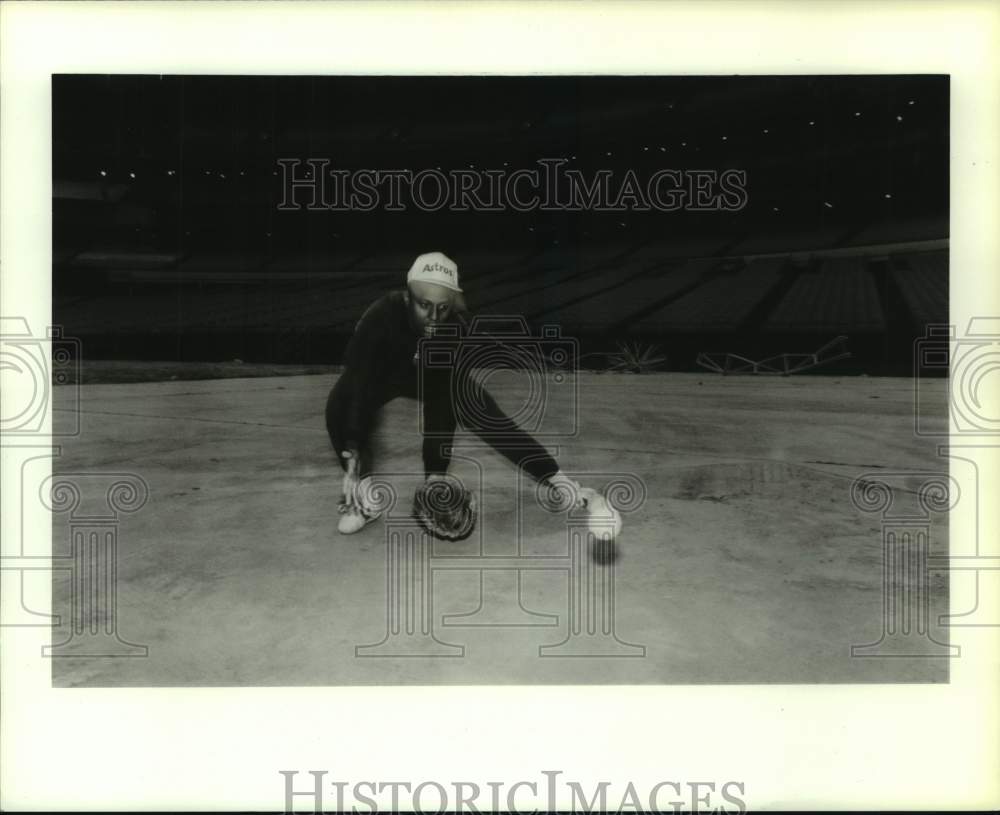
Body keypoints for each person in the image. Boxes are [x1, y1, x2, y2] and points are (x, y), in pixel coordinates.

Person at [325, 250, 596, 534]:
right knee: (340, 402)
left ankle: (560, 481)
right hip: (381, 376)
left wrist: (435, 476)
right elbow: (359, 380)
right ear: (407, 297)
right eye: (424, 304)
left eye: (442, 307)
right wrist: (354, 448)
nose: (433, 316)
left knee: (480, 410)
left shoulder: (456, 327)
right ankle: (365, 497)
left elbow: (442, 402)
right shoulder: (381, 315)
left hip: (432, 378)